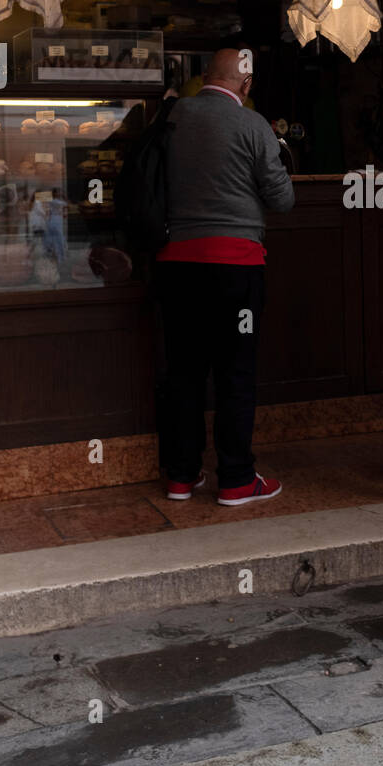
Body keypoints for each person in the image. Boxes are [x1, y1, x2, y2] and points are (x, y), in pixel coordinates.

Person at [154, 47, 294, 506]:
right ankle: (235, 479)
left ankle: (181, 476)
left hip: (177, 266)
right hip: (236, 268)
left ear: (204, 77)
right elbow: (282, 198)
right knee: (236, 372)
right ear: (247, 84)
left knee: (184, 371)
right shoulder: (253, 125)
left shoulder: (172, 118)